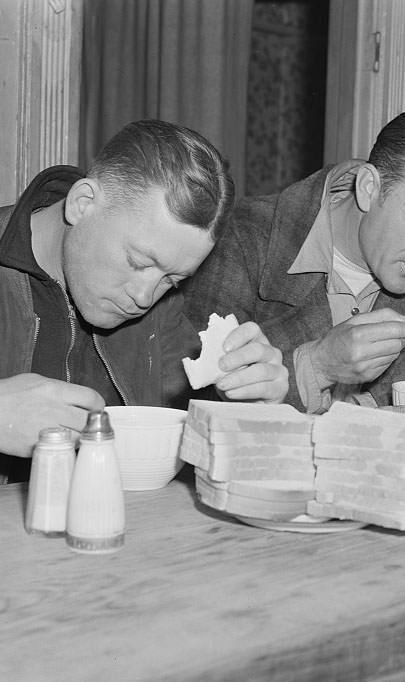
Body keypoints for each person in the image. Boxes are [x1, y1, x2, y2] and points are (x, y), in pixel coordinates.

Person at [0, 119, 289, 477]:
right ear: (82, 202)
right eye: (137, 262)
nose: (143, 297)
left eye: (172, 278)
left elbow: (193, 447)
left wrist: (248, 408)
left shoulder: (162, 309)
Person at [184, 107, 405, 418]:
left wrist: (374, 410)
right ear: (369, 188)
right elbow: (194, 396)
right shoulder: (243, 236)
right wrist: (317, 365)